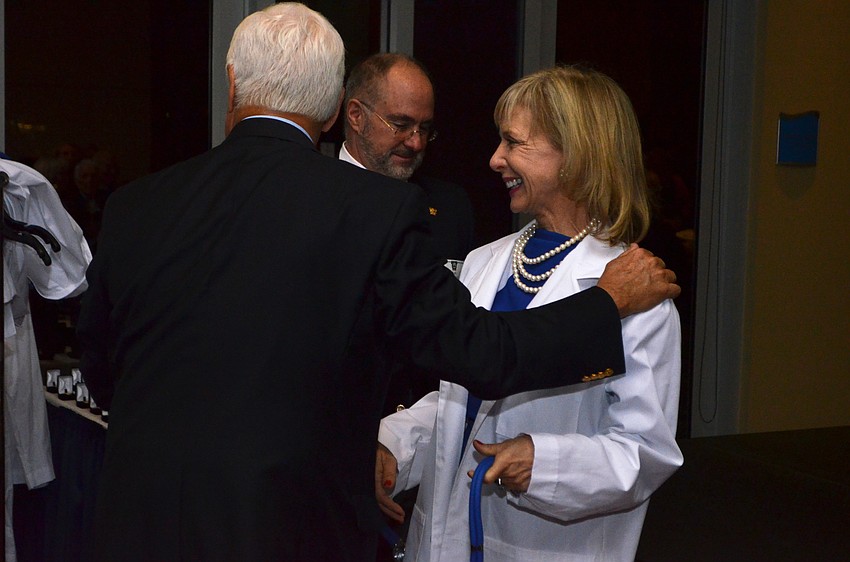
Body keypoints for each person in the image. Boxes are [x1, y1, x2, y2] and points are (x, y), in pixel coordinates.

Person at [76, 5, 678, 561]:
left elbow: (103, 370)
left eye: (513, 142)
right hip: (290, 527)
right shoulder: (387, 217)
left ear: (231, 83)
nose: (493, 159)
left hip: (140, 523)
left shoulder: (135, 205)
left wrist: (531, 459)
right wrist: (606, 304)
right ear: (339, 111)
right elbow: (477, 362)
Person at [376, 65, 683, 561]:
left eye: (513, 143)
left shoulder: (638, 295)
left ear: (576, 156)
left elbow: (644, 453)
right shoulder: (484, 262)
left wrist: (545, 462)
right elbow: (459, 401)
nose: (495, 159)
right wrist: (394, 445)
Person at [340, 52, 475, 415]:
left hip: (425, 431)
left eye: (425, 129)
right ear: (356, 115)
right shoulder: (313, 197)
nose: (415, 143)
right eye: (400, 124)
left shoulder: (451, 206)